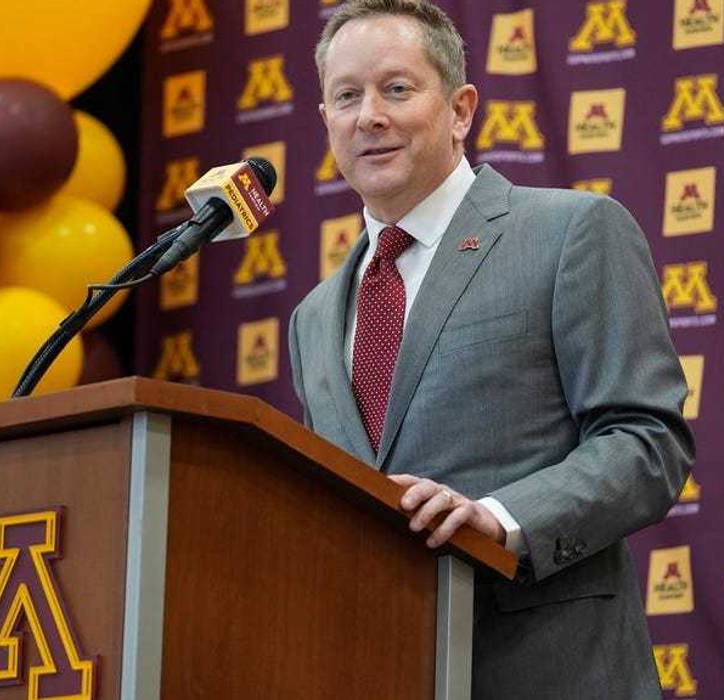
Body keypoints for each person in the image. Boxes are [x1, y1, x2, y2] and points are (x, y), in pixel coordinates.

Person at [287, 1, 695, 697]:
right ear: (325, 119)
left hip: (550, 672)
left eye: (396, 88)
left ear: (460, 108)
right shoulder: (313, 317)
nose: (369, 116)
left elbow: (645, 444)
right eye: (346, 96)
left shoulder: (570, 232)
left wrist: (499, 521)